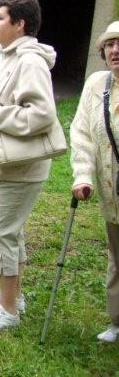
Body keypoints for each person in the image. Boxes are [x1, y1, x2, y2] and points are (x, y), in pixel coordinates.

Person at [0, 0, 57, 332]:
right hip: (2, 162)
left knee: (0, 230)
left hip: (21, 165)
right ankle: (10, 295)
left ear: (19, 24)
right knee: (10, 231)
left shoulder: (29, 61)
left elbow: (42, 115)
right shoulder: (7, 57)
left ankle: (8, 310)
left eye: (1, 18)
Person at [70, 20, 119, 343]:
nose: (115, 51)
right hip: (111, 188)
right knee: (117, 255)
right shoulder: (97, 84)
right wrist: (83, 174)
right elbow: (83, 133)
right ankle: (117, 320)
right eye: (109, 45)